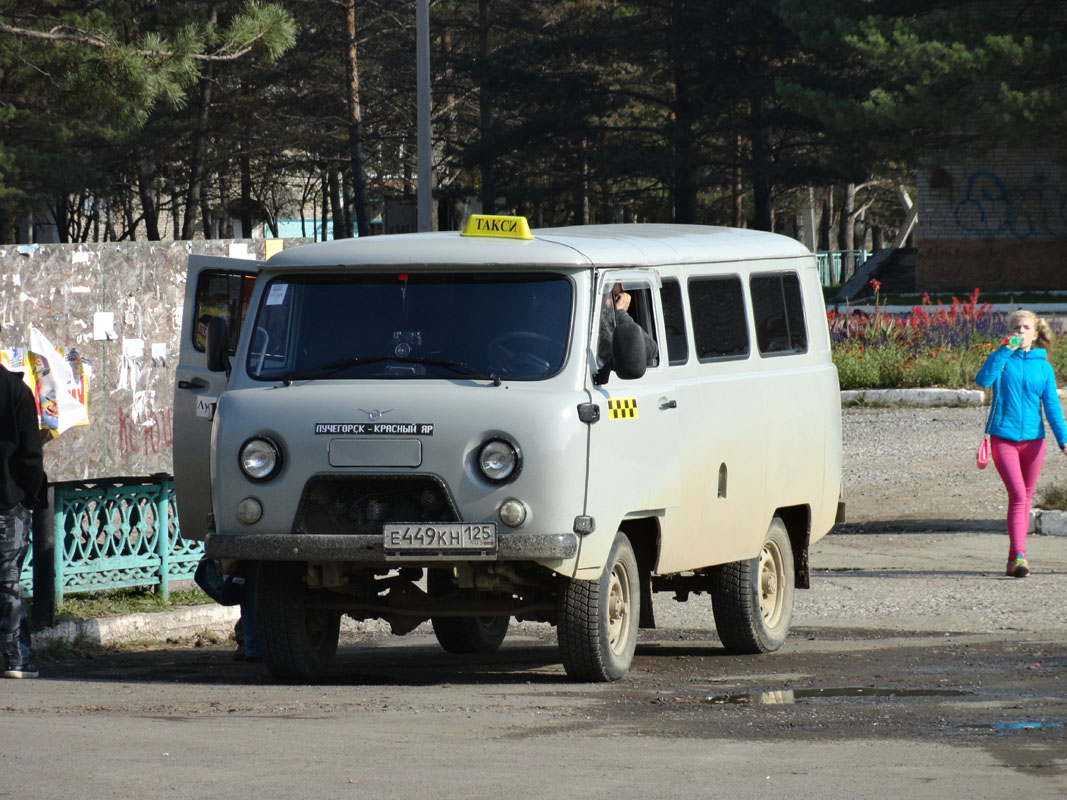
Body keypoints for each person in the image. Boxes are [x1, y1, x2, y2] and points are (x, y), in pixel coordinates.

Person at [975, 309, 1067, 578]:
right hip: (1003, 439)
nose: (1020, 332)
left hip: (1034, 443)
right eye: (1016, 328)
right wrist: (1004, 350)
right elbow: (982, 380)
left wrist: (1063, 439)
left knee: (1024, 499)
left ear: (1035, 333)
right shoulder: (1001, 360)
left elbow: (1052, 408)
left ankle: (1015, 556)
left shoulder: (1044, 367)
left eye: (1025, 328)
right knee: (1017, 495)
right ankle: (1019, 556)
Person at [0, 351, 46, 678]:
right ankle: (15, 658)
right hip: (7, 500)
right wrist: (32, 496)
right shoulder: (15, 390)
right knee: (7, 583)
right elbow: (30, 454)